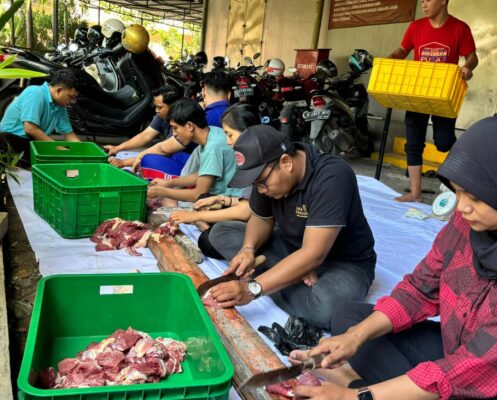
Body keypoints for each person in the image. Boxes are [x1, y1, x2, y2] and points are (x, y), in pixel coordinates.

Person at [291, 117, 497, 400]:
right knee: (351, 319)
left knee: (445, 383)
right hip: (464, 349)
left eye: (476, 197)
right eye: (458, 192)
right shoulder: (468, 221)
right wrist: (355, 338)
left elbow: (480, 365)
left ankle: (376, 390)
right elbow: (422, 286)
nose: (462, 208)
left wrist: (354, 399)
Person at [206, 125, 376, 329]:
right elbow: (261, 219)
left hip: (341, 263)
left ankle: (278, 275)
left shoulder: (333, 175)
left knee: (324, 309)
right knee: (221, 232)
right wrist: (248, 249)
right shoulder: (265, 175)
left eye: (261, 183)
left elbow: (314, 253)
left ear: (286, 162)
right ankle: (290, 272)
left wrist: (252, 289)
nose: (259, 190)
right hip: (292, 247)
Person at [389, 0, 478, 202]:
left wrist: (468, 67)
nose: (424, 4)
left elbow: (472, 57)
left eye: (428, 0)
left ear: (444, 1)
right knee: (413, 142)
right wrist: (386, 63)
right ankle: (415, 193)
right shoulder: (415, 27)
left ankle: (455, 181)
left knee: (444, 142)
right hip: (417, 92)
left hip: (443, 95)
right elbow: (401, 51)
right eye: (422, 1)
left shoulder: (460, 28)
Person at [168, 103, 261, 258]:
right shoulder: (246, 157)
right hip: (255, 218)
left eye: (230, 135)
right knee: (206, 203)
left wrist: (194, 217)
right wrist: (221, 199)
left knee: (208, 240)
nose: (228, 142)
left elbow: (246, 211)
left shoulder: (258, 160)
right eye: (225, 134)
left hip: (265, 228)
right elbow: (250, 202)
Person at [146, 99, 241, 205]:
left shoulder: (212, 148)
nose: (174, 134)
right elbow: (202, 175)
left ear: (189, 126)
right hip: (221, 197)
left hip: (229, 201)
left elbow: (198, 194)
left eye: (175, 128)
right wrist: (168, 183)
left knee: (170, 202)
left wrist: (162, 191)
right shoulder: (212, 132)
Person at [0, 69, 81, 168]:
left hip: (31, 142)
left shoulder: (60, 106)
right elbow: (30, 128)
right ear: (59, 90)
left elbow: (69, 134)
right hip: (12, 140)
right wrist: (57, 147)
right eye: (71, 97)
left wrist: (84, 151)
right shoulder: (35, 93)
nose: (73, 101)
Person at [104, 85, 182, 167]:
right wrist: (117, 148)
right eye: (155, 107)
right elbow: (145, 136)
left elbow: (163, 151)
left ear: (173, 107)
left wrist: (124, 163)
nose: (156, 111)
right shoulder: (162, 116)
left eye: (159, 107)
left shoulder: (181, 123)